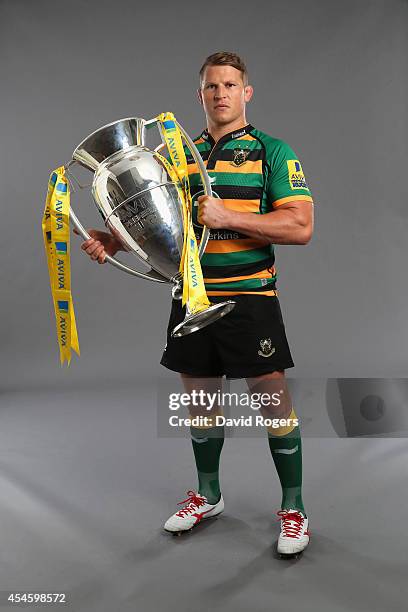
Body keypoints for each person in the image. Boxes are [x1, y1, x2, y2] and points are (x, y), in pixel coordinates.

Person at [78, 51, 314, 556]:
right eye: (212, 86)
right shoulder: (177, 156)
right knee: (201, 404)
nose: (221, 93)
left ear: (246, 92)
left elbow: (300, 226)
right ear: (200, 95)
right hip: (190, 297)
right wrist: (116, 240)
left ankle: (293, 509)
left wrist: (230, 214)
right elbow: (167, 227)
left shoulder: (273, 151)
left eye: (230, 84)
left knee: (274, 406)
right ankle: (209, 495)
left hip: (250, 297)